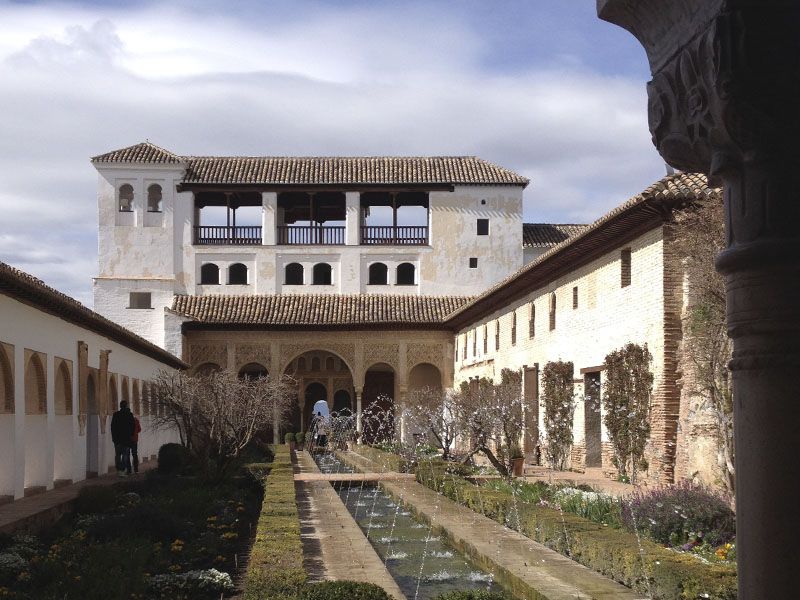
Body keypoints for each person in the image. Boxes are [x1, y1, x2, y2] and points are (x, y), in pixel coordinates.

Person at [110, 400, 135, 476]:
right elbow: (133, 426)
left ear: (120, 406)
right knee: (125, 455)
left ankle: (118, 470)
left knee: (118, 455)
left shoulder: (116, 414)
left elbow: (113, 427)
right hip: (126, 438)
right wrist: (130, 435)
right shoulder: (129, 414)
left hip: (117, 439)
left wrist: (114, 437)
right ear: (126, 406)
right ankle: (123, 470)